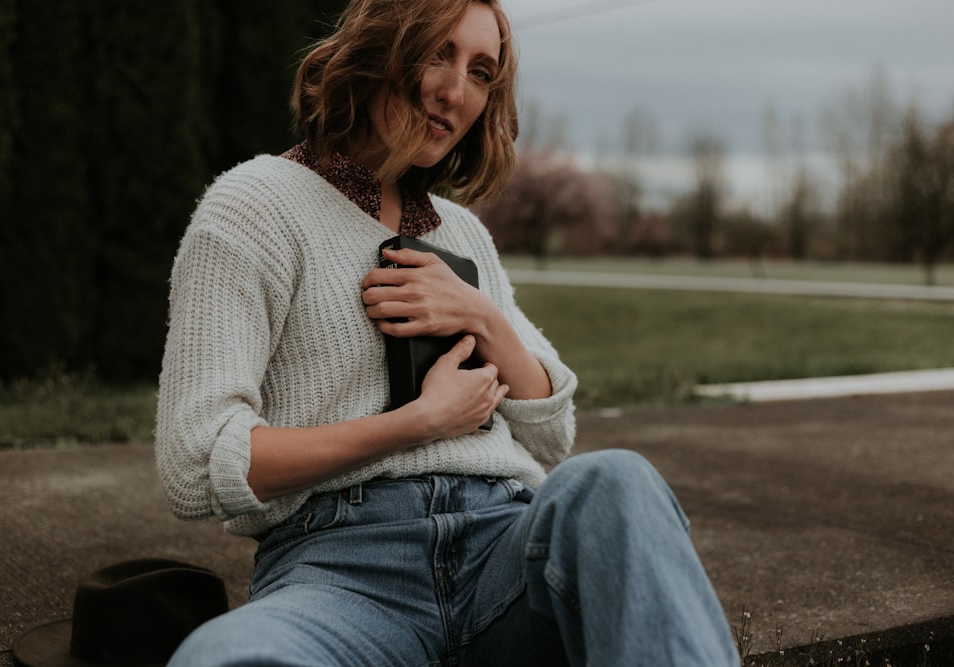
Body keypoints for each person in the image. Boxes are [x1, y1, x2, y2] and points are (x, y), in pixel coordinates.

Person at [154, 0, 740, 664]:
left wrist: (482, 314)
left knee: (617, 484)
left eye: (482, 71)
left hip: (505, 553)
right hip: (341, 573)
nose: (455, 90)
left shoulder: (463, 235)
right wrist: (417, 422)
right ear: (377, 47)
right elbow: (195, 466)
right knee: (227, 655)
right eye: (438, 51)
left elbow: (553, 431)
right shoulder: (254, 206)